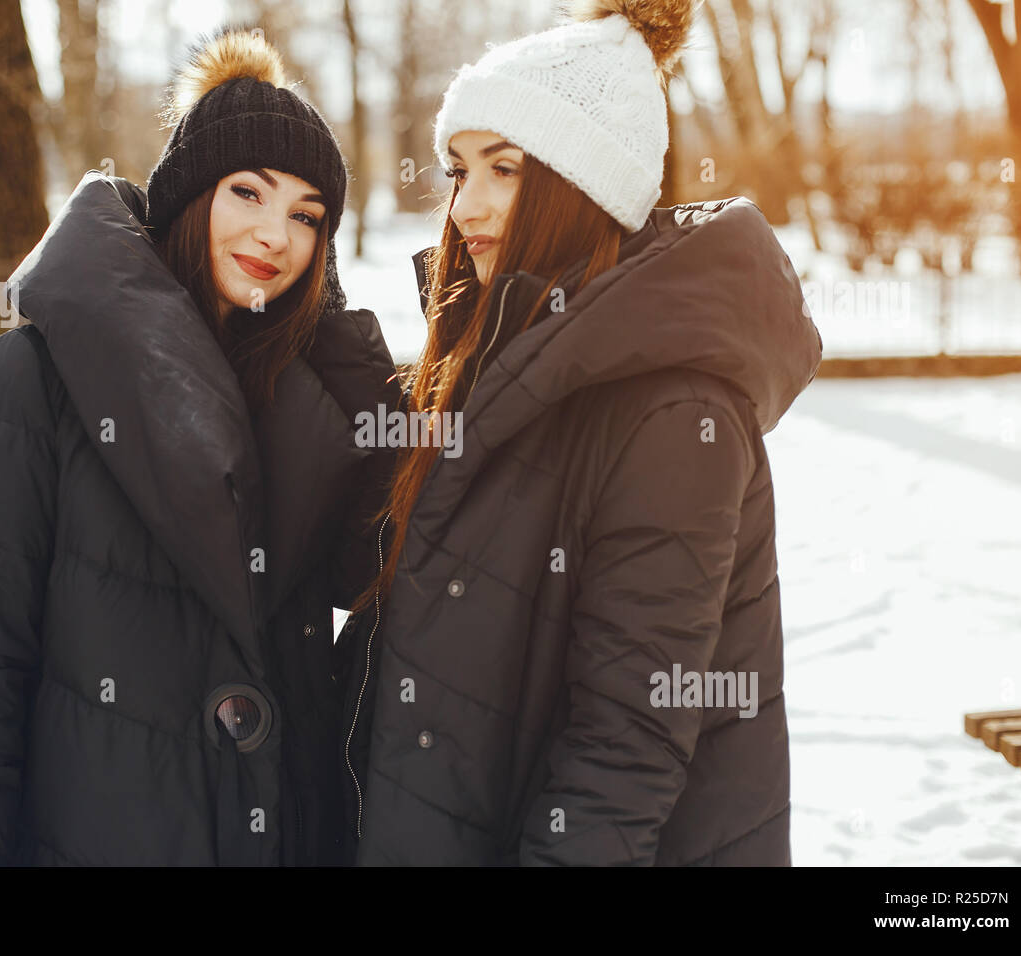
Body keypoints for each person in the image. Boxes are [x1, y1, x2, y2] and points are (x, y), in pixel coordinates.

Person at [0, 26, 399, 866]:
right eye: (249, 191)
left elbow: (372, 564)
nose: (276, 234)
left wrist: (335, 328)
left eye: (307, 216)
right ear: (190, 194)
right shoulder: (30, 385)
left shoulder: (296, 389)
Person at [337, 0, 823, 865]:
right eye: (458, 170)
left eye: (505, 169)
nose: (466, 205)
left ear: (582, 183)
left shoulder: (676, 414)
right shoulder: (497, 360)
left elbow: (626, 748)